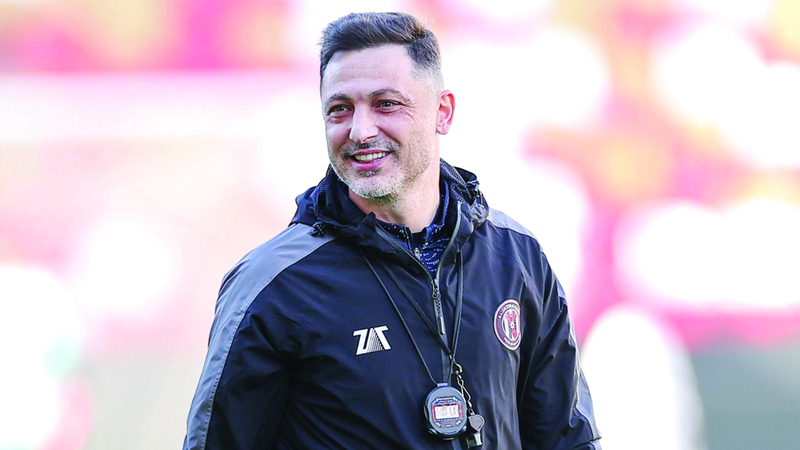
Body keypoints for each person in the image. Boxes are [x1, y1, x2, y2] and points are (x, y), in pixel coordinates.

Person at [184, 11, 601, 450]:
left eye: (386, 104)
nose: (360, 131)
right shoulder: (272, 284)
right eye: (340, 109)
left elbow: (567, 439)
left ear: (442, 112)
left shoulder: (517, 257)